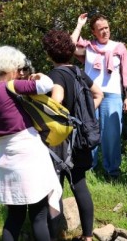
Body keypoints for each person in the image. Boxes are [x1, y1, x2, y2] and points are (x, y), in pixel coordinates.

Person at [0, 45, 62, 241]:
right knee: (39, 216)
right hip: (28, 155)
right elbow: (47, 85)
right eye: (19, 68)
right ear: (10, 68)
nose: (21, 72)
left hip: (5, 155)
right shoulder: (12, 86)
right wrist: (37, 76)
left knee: (14, 217)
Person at [42, 30, 103, 241]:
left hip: (61, 140)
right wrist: (84, 117)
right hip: (81, 137)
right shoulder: (78, 71)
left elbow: (57, 99)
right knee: (79, 184)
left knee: (55, 188)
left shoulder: (55, 75)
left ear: (49, 54)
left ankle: (55, 234)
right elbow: (99, 94)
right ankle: (87, 236)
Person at [70, 12, 127, 179]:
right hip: (90, 94)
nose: (105, 31)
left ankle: (112, 171)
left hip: (112, 95)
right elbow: (70, 45)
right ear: (94, 32)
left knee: (112, 135)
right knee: (88, 131)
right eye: (101, 29)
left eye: (107, 28)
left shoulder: (119, 47)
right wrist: (79, 25)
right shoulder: (89, 47)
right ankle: (88, 169)